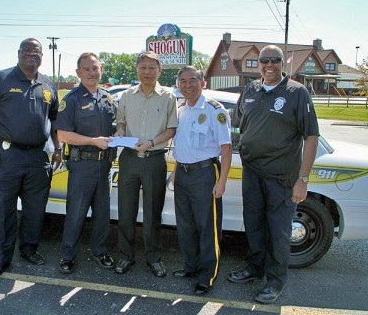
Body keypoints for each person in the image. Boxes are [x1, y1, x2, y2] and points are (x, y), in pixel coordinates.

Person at [228, 45, 319, 304]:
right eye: (264, 60)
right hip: (252, 173)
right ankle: (255, 267)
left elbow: (311, 135)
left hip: (281, 177)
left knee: (278, 230)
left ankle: (275, 281)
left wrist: (303, 179)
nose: (269, 65)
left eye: (275, 60)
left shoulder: (297, 93)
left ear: (283, 63)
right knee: (254, 224)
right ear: (258, 63)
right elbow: (234, 122)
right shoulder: (250, 90)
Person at [0, 38, 61, 278]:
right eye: (28, 50)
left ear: (42, 56)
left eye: (37, 51)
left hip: (38, 156)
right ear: (19, 53)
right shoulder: (0, 79)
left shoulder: (48, 85)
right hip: (6, 155)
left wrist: (58, 147)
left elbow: (54, 121)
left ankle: (29, 249)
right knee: (3, 209)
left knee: (35, 208)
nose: (32, 54)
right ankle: (1, 258)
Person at [114, 51, 178, 277]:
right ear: (137, 69)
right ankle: (125, 256)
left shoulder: (169, 97)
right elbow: (120, 121)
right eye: (143, 67)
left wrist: (151, 142)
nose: (147, 72)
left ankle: (153, 257)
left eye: (152, 68)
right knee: (126, 211)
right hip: (130, 159)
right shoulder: (126, 95)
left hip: (154, 161)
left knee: (153, 213)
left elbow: (172, 129)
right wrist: (120, 131)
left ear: (159, 70)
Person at [171, 66, 232, 295]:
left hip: (205, 174)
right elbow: (182, 145)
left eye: (193, 80)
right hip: (184, 174)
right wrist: (177, 170)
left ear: (202, 82)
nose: (188, 85)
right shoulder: (181, 109)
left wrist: (222, 181)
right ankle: (191, 267)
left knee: (208, 227)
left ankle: (208, 275)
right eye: (183, 81)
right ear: (179, 85)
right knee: (185, 225)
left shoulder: (215, 110)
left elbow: (226, 149)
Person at [55, 53, 117, 274]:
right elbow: (62, 134)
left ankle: (99, 251)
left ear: (101, 70)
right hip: (82, 166)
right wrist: (92, 141)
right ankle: (67, 256)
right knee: (76, 213)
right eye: (87, 69)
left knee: (102, 214)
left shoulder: (107, 98)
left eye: (95, 68)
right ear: (78, 73)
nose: (92, 73)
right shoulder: (71, 100)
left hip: (104, 167)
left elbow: (115, 127)